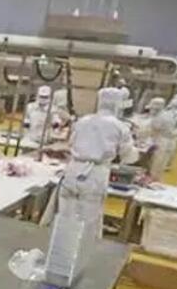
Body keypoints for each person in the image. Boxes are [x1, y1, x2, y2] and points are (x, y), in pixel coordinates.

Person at [45, 87, 139, 239]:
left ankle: (59, 247)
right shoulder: (119, 126)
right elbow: (129, 156)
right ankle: (83, 250)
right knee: (88, 221)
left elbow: (71, 143)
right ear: (117, 104)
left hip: (73, 171)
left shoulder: (83, 121)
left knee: (65, 215)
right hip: (94, 174)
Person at [144, 98, 177, 180]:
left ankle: (152, 181)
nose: (150, 111)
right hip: (166, 141)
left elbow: (154, 130)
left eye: (151, 109)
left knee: (156, 164)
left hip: (162, 142)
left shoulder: (160, 117)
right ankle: (155, 180)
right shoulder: (166, 114)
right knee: (159, 165)